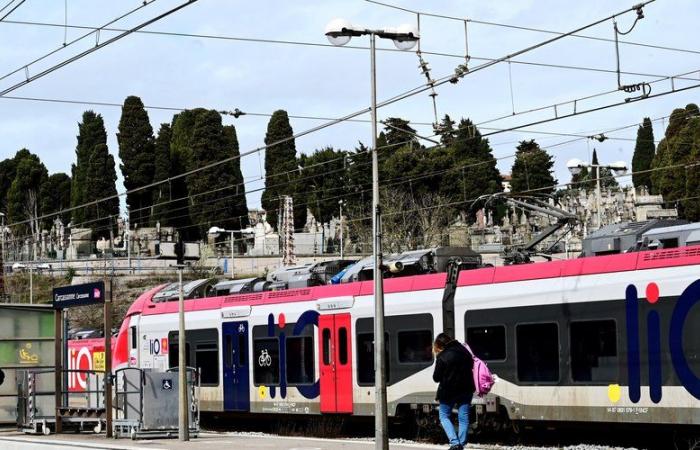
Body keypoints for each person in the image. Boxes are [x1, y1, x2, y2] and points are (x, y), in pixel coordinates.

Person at [432, 333, 474, 450]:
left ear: (440, 345)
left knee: (444, 415)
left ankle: (455, 443)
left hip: (448, 391)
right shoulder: (465, 351)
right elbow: (472, 365)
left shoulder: (442, 356)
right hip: (466, 389)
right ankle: (462, 444)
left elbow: (436, 378)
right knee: (463, 417)